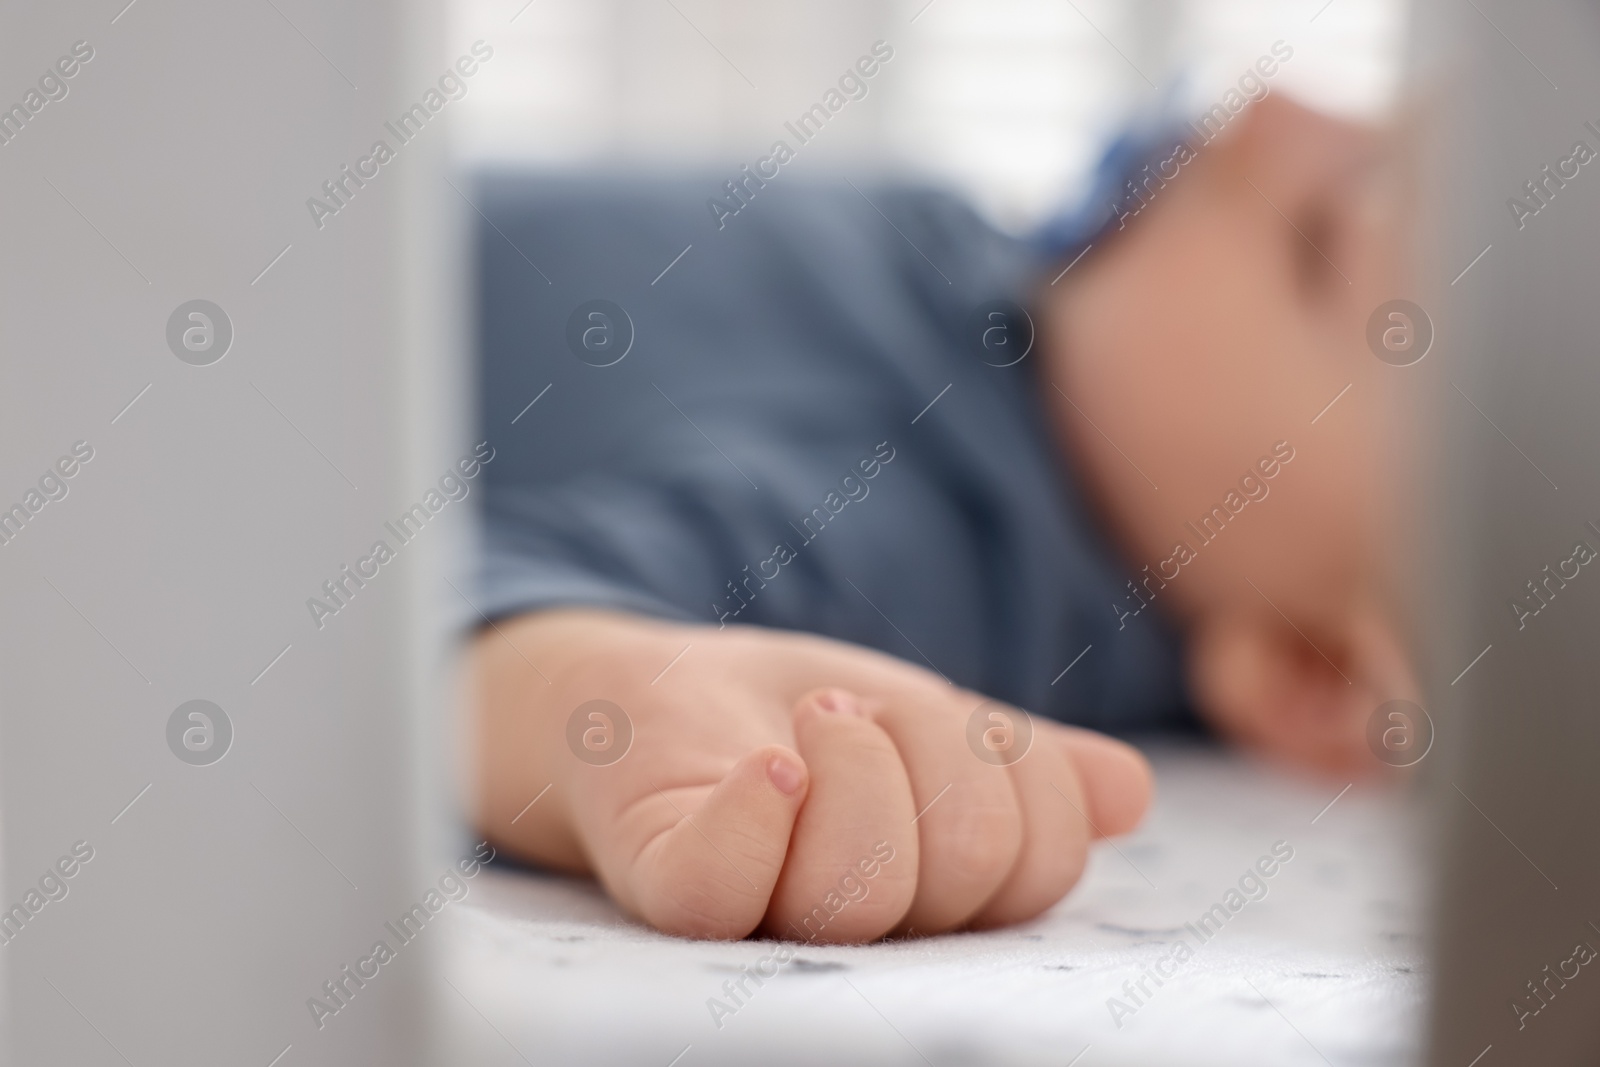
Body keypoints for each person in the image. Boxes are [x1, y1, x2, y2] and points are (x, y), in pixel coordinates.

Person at [465, 95, 1416, 943]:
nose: (1268, 108)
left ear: (1313, 679)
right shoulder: (983, 283)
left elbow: (443, 626)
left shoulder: (930, 540)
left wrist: (589, 695)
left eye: (1318, 239)